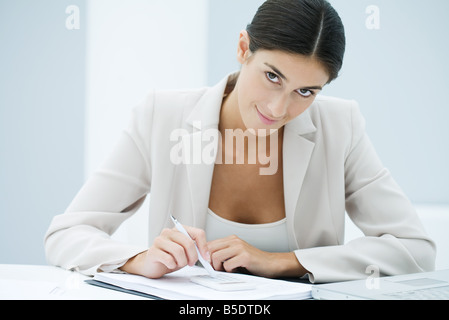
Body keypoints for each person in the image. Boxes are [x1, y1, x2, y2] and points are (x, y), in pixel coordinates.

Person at [44, 0, 436, 283]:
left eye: (306, 92)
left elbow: (416, 250)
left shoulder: (340, 125)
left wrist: (282, 262)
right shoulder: (162, 116)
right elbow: (67, 235)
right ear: (243, 49)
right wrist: (136, 259)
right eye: (272, 77)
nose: (279, 108)